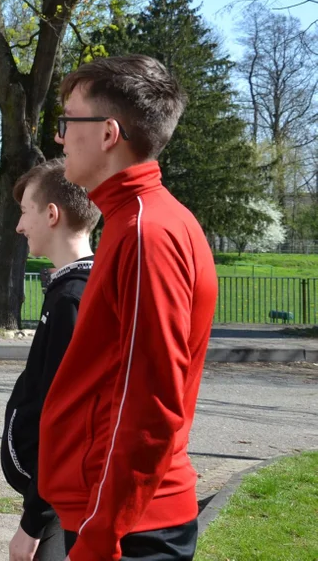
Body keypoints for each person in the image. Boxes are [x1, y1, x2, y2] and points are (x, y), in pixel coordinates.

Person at [38, 55, 218, 561]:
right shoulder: (135, 219)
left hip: (127, 529)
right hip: (122, 519)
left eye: (68, 121)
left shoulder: (146, 232)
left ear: (108, 133)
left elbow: (150, 405)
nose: (60, 136)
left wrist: (100, 535)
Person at [1, 158, 99, 561]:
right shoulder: (72, 290)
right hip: (58, 499)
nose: (20, 226)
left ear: (52, 215)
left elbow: (67, 424)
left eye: (25, 212)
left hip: (61, 504)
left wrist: (33, 522)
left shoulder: (72, 300)